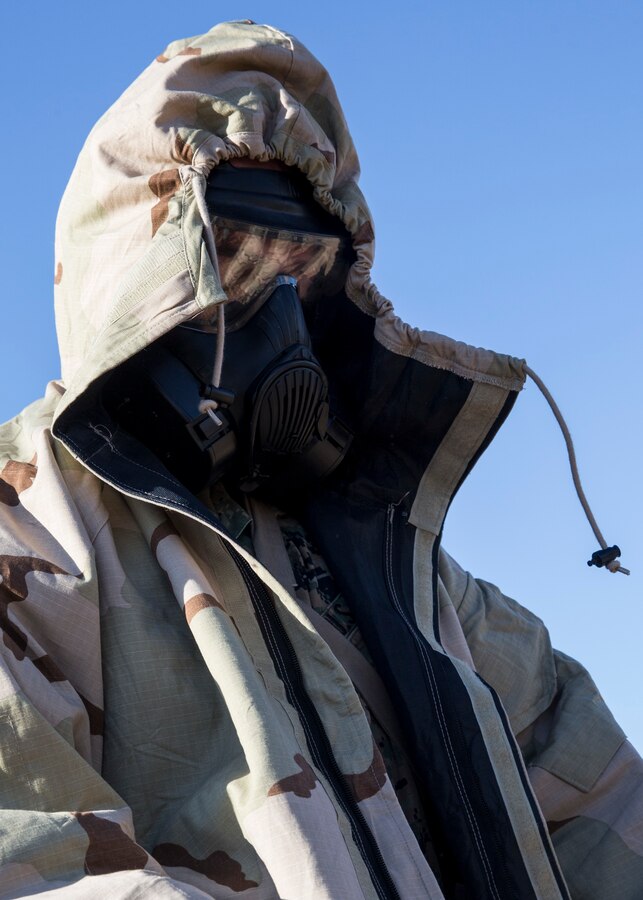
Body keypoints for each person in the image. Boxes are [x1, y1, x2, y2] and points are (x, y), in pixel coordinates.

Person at [0, 20, 640, 900]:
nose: (280, 324)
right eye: (234, 266)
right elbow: (34, 865)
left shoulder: (415, 580)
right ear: (137, 284)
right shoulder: (30, 539)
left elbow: (602, 802)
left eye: (303, 274)